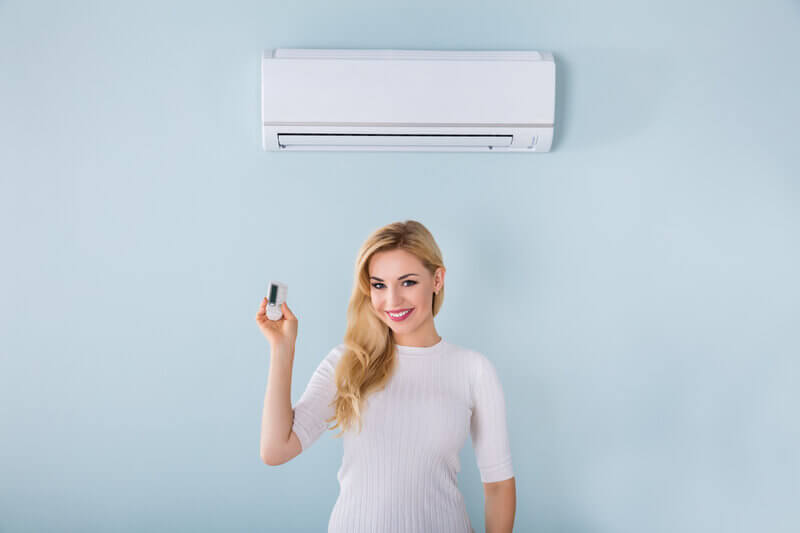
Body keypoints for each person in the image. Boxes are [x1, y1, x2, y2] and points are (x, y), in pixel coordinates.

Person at [257, 220, 516, 532]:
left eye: (407, 283)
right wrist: (282, 349)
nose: (392, 301)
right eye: (379, 285)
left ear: (437, 279)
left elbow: (498, 486)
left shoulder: (473, 369)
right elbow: (275, 450)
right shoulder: (348, 362)